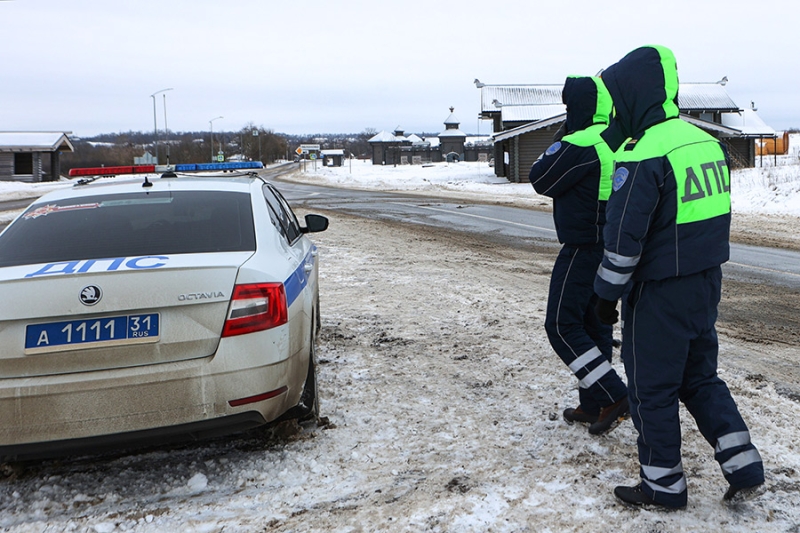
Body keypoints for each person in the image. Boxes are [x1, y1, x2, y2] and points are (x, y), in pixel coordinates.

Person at [593, 45, 765, 510]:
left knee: (651, 389)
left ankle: (662, 486)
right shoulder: (704, 143)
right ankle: (743, 463)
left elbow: (624, 240)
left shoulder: (644, 150)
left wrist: (604, 297)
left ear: (632, 95)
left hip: (659, 292)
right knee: (699, 377)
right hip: (705, 285)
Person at [529, 75, 629, 436]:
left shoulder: (581, 142)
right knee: (595, 327)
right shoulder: (613, 138)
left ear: (577, 108)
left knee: (560, 325)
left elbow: (540, 177)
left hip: (582, 248)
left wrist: (562, 136)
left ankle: (614, 395)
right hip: (609, 247)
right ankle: (594, 404)